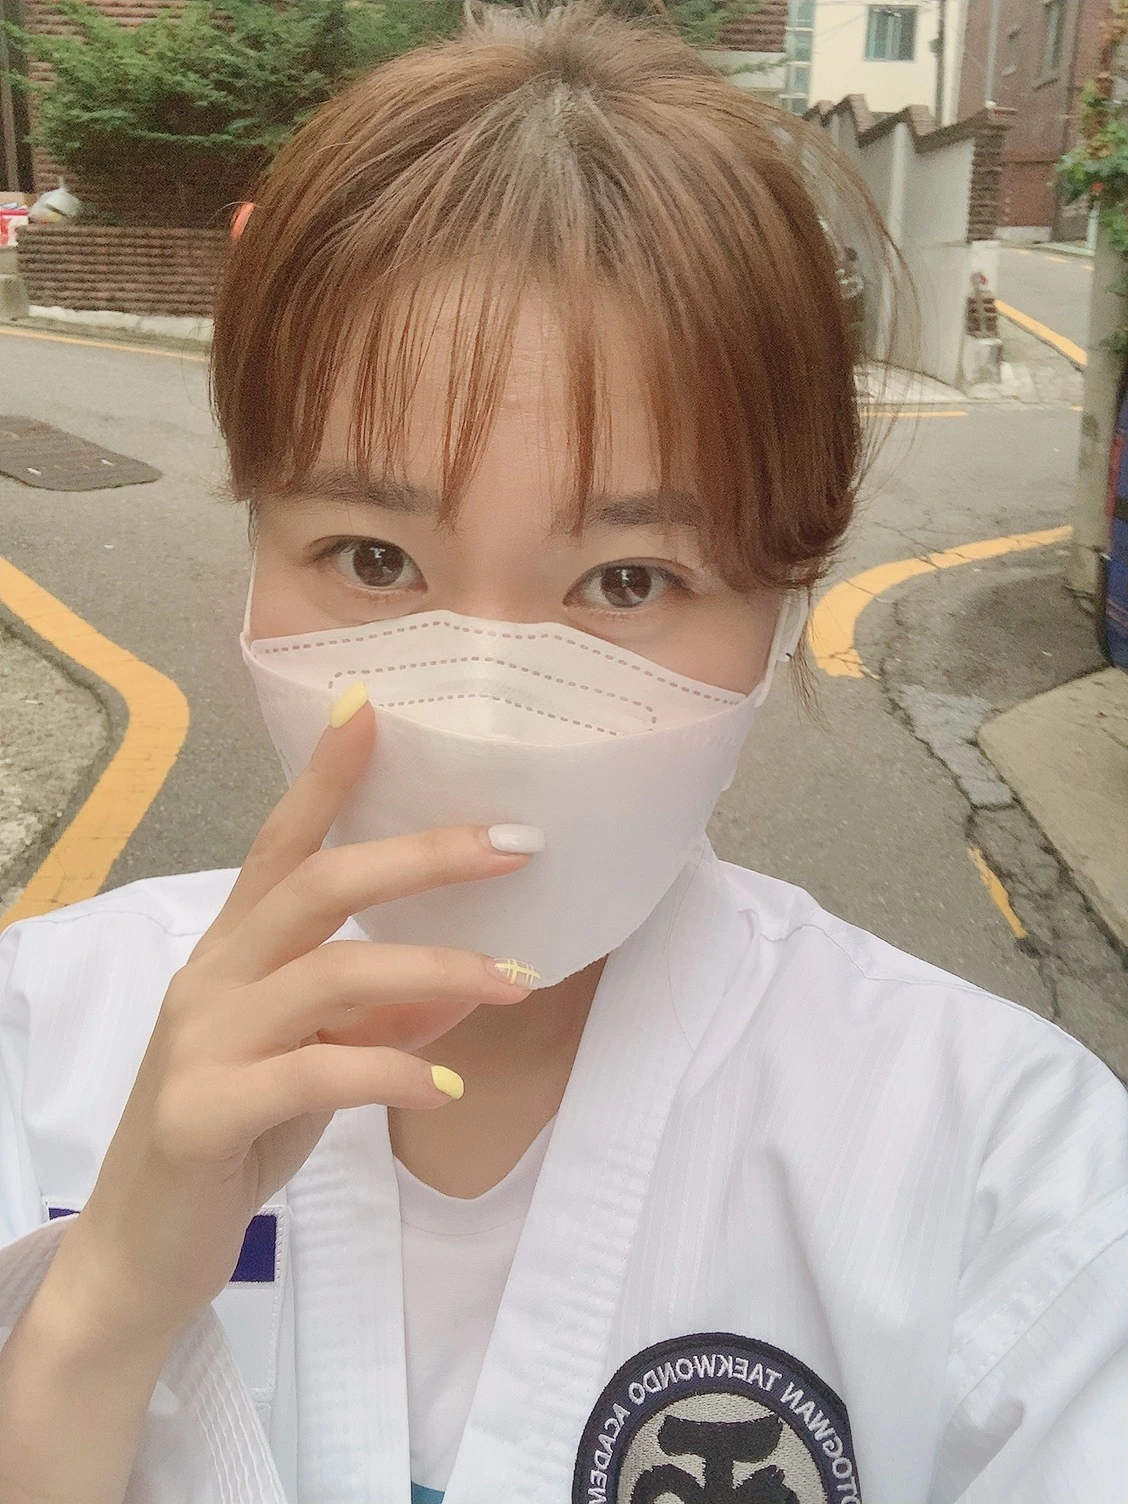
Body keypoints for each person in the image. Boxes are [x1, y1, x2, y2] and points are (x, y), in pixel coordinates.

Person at [1, 3, 1126, 1501]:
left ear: (786, 605)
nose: (482, 714)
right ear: (255, 548)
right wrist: (94, 1316)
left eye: (627, 580)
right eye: (375, 559)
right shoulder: (35, 1048)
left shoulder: (1012, 1183)